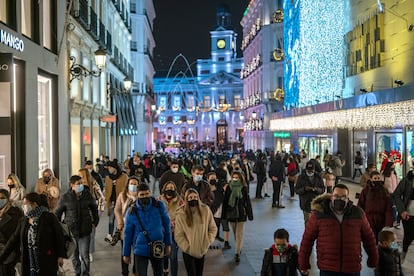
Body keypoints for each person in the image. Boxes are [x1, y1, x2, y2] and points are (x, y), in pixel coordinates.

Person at [298, 184, 378, 275]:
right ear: (331, 197)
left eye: (343, 197)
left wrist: (374, 260)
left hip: (352, 267)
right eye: (336, 196)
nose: (339, 199)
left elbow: (369, 238)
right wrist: (303, 264)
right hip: (327, 267)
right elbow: (307, 240)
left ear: (348, 199)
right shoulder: (319, 214)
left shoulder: (358, 213)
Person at [0, 192, 65, 276]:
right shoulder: (23, 221)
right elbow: (13, 240)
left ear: (34, 204)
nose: (24, 207)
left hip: (46, 259)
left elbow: (59, 236)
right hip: (28, 260)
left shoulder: (48, 218)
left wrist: (60, 256)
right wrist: (1, 257)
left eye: (26, 204)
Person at [122, 183, 172, 276]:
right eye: (142, 195)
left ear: (150, 193)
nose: (145, 196)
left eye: (147, 194)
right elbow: (127, 234)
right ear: (137, 196)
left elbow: (166, 225)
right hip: (140, 249)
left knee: (159, 273)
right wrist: (126, 253)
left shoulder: (159, 206)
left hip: (158, 246)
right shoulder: (132, 212)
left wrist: (168, 243)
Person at [55, 175, 99, 276]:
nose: (81, 185)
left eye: (81, 183)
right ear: (72, 185)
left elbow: (94, 208)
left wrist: (94, 222)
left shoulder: (87, 195)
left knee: (85, 256)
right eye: (78, 184)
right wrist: (60, 227)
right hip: (71, 231)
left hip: (85, 230)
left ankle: (85, 273)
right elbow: (57, 213)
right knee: (74, 257)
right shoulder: (65, 197)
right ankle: (77, 273)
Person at [175, 188, 217, 275]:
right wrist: (187, 247)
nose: (193, 199)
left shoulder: (206, 210)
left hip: (202, 248)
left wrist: (208, 241)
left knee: (199, 273)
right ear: (186, 199)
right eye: (190, 197)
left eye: (195, 197)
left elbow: (213, 228)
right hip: (188, 251)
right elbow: (179, 234)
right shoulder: (181, 213)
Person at [222, 171, 254, 263]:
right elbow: (225, 202)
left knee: (239, 234)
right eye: (234, 177)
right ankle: (238, 248)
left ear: (241, 178)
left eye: (237, 177)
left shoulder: (244, 188)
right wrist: (223, 215)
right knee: (235, 233)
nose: (235, 179)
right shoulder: (229, 188)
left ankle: (237, 253)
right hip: (231, 213)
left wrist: (250, 214)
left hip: (241, 214)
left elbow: (247, 202)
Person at [78, 168, 105, 262]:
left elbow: (101, 198)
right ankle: (82, 252)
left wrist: (99, 211)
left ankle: (89, 252)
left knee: (91, 233)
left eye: (81, 176)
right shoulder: (78, 186)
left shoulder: (93, 184)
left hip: (91, 213)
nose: (79, 178)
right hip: (80, 213)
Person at [357, 171, 393, 241]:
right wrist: (359, 218)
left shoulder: (384, 190)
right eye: (375, 178)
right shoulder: (366, 190)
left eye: (378, 178)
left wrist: (388, 222)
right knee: (371, 238)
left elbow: (388, 207)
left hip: (381, 220)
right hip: (369, 219)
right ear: (371, 179)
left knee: (380, 239)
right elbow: (360, 204)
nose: (377, 180)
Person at [157, 181, 184, 276]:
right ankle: (165, 270)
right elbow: (155, 214)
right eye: (168, 187)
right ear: (164, 189)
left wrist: (175, 222)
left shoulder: (180, 201)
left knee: (173, 256)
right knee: (162, 255)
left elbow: (183, 214)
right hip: (161, 232)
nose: (170, 189)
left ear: (175, 189)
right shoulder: (158, 200)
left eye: (172, 188)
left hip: (174, 233)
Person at [114, 176, 139, 276]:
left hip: (138, 228)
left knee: (137, 251)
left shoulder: (140, 196)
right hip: (125, 228)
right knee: (125, 251)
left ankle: (135, 271)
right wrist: (120, 222)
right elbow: (117, 209)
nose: (133, 186)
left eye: (135, 184)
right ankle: (125, 272)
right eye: (131, 183)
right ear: (128, 184)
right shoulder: (122, 195)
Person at [393, 161, 414, 263]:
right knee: (408, 236)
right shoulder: (406, 181)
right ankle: (402, 259)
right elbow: (396, 195)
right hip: (408, 214)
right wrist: (402, 210)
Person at [0, 189, 24, 275]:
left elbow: (17, 236)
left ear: (8, 199)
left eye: (2, 198)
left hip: (10, 254)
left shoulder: (16, 213)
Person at [104, 160, 129, 242]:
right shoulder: (108, 178)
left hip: (122, 201)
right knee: (111, 218)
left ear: (115, 168)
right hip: (112, 202)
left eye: (110, 167)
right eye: (108, 168)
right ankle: (110, 235)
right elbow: (107, 190)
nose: (109, 169)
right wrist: (107, 200)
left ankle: (122, 233)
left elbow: (126, 188)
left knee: (122, 219)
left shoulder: (124, 176)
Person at [207, 172, 231, 249]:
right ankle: (212, 241)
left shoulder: (219, 187)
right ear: (208, 179)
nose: (214, 180)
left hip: (223, 211)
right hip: (214, 211)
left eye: (215, 178)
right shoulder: (206, 188)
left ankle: (226, 242)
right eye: (212, 178)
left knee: (225, 227)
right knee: (214, 227)